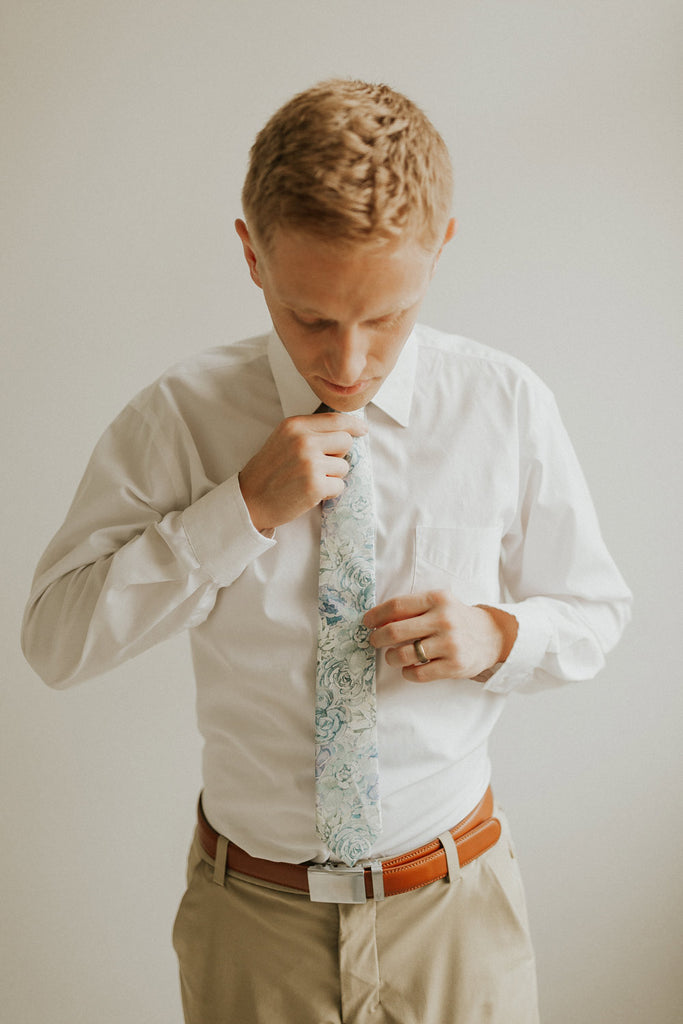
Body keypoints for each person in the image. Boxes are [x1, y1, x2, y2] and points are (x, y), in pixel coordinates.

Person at [21, 79, 632, 1024]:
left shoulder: (504, 406)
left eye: (386, 317)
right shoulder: (180, 420)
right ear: (250, 255)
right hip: (250, 928)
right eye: (311, 318)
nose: (346, 364)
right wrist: (237, 513)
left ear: (441, 251)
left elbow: (595, 612)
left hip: (454, 914)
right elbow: (55, 641)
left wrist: (499, 636)